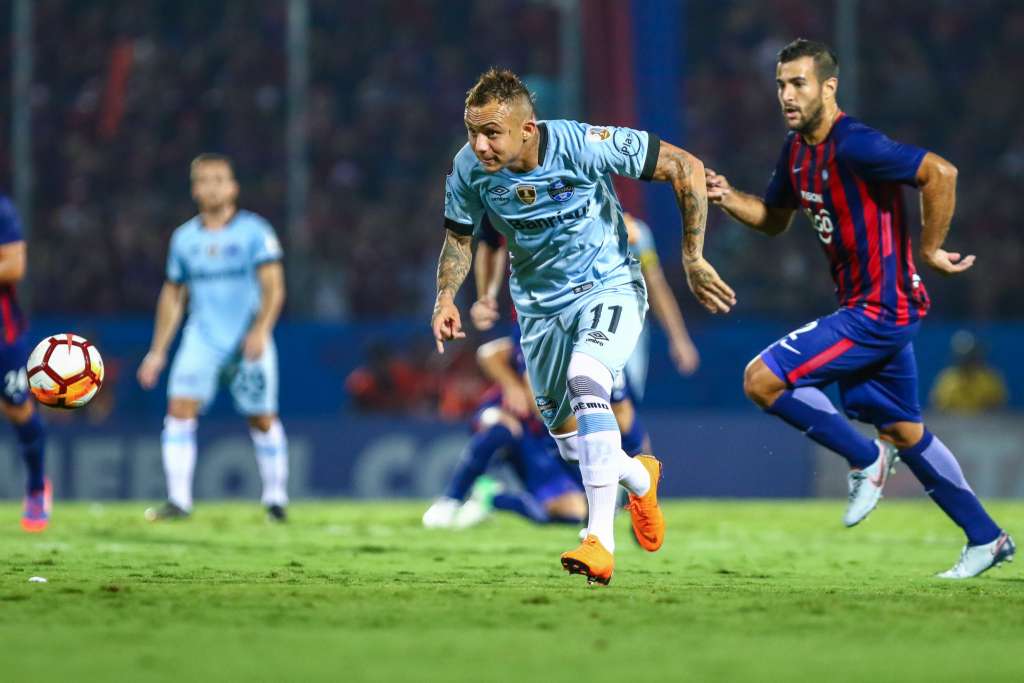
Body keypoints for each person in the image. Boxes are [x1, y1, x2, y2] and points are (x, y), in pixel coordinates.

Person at [706, 39, 1014, 578]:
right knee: (903, 430)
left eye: (798, 83)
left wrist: (930, 249)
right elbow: (775, 218)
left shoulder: (856, 145)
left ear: (829, 87)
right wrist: (728, 195)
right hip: (873, 308)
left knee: (761, 381)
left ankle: (864, 459)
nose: (786, 95)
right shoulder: (797, 150)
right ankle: (987, 538)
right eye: (781, 84)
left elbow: (940, 173)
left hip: (877, 310)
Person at [432, 68, 733, 585]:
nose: (479, 144)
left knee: (587, 377)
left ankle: (599, 541)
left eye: (491, 132)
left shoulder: (583, 143)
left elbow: (684, 165)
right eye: (472, 131)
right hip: (538, 310)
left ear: (528, 129)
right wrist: (445, 296)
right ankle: (640, 476)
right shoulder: (468, 169)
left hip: (609, 287)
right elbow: (461, 238)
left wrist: (694, 256)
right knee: (570, 441)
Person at [137, 154, 289, 522]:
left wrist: (260, 330)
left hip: (246, 340)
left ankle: (275, 500)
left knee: (262, 418)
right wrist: (157, 352)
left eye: (219, 179)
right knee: (178, 410)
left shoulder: (255, 232)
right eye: (204, 180)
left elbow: (274, 288)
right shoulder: (184, 239)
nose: (212, 186)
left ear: (233, 187)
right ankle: (178, 501)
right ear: (194, 189)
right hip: (202, 339)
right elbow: (173, 295)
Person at [422, 331, 586, 529]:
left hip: (545, 442)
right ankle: (450, 499)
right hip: (515, 423)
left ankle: (491, 499)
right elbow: (488, 353)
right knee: (499, 425)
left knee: (572, 513)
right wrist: (511, 385)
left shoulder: (580, 361)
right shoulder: (538, 335)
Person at [0, 196, 49, 532]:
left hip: (3, 333)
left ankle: (35, 488)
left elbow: (15, 266)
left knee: (17, 408)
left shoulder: (1, 210)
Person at [929, 330, 1008, 414]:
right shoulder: (946, 380)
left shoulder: (991, 379)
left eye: (970, 355)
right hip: (953, 425)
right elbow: (938, 410)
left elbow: (1000, 411)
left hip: (985, 425)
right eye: (962, 356)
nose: (966, 359)